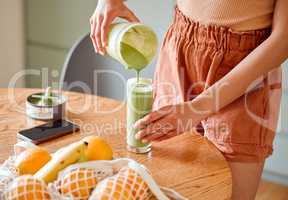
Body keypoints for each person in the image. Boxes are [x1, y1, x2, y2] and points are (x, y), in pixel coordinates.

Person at [89, 0, 288, 199]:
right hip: (181, 51)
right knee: (167, 188)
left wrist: (197, 107)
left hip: (245, 75)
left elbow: (283, 40)